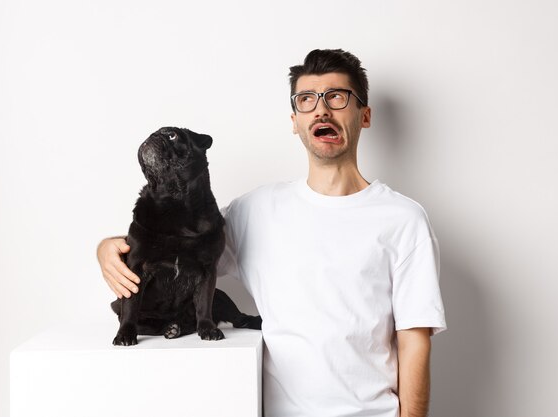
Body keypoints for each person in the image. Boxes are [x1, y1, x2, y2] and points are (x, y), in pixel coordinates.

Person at [97, 48, 446, 417]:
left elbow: (414, 343)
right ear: (295, 120)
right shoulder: (256, 210)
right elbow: (175, 249)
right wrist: (106, 247)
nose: (321, 109)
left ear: (365, 115)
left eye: (337, 97)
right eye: (307, 99)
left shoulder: (403, 219)